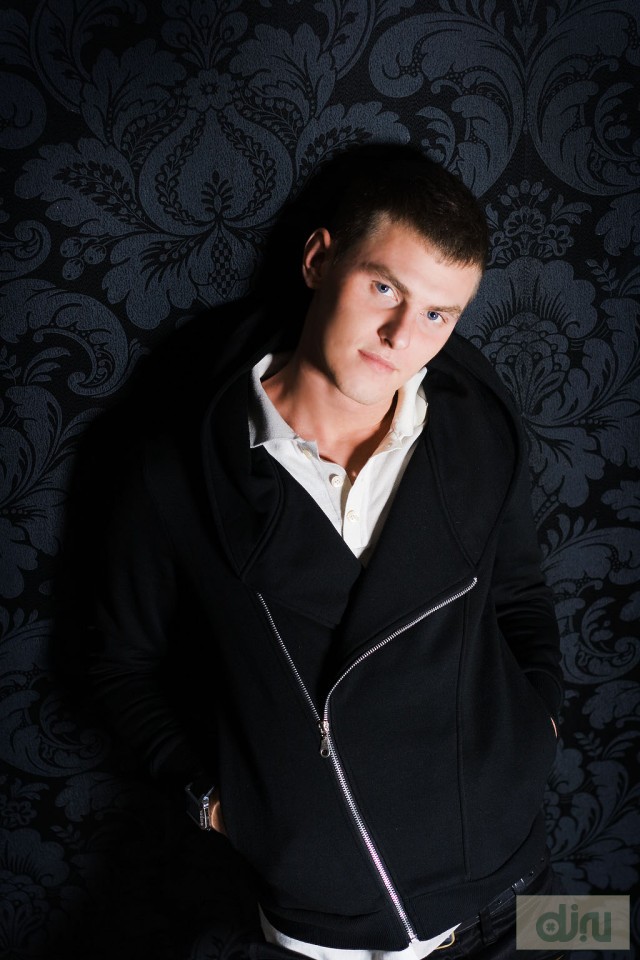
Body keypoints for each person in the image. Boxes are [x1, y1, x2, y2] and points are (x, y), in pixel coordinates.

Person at [89, 145, 564, 959]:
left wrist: (540, 724)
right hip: (322, 928)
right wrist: (218, 804)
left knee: (613, 932)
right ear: (319, 261)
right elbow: (114, 664)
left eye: (438, 315)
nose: (400, 336)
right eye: (384, 288)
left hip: (513, 893)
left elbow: (520, 595)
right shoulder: (177, 468)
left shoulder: (477, 430)